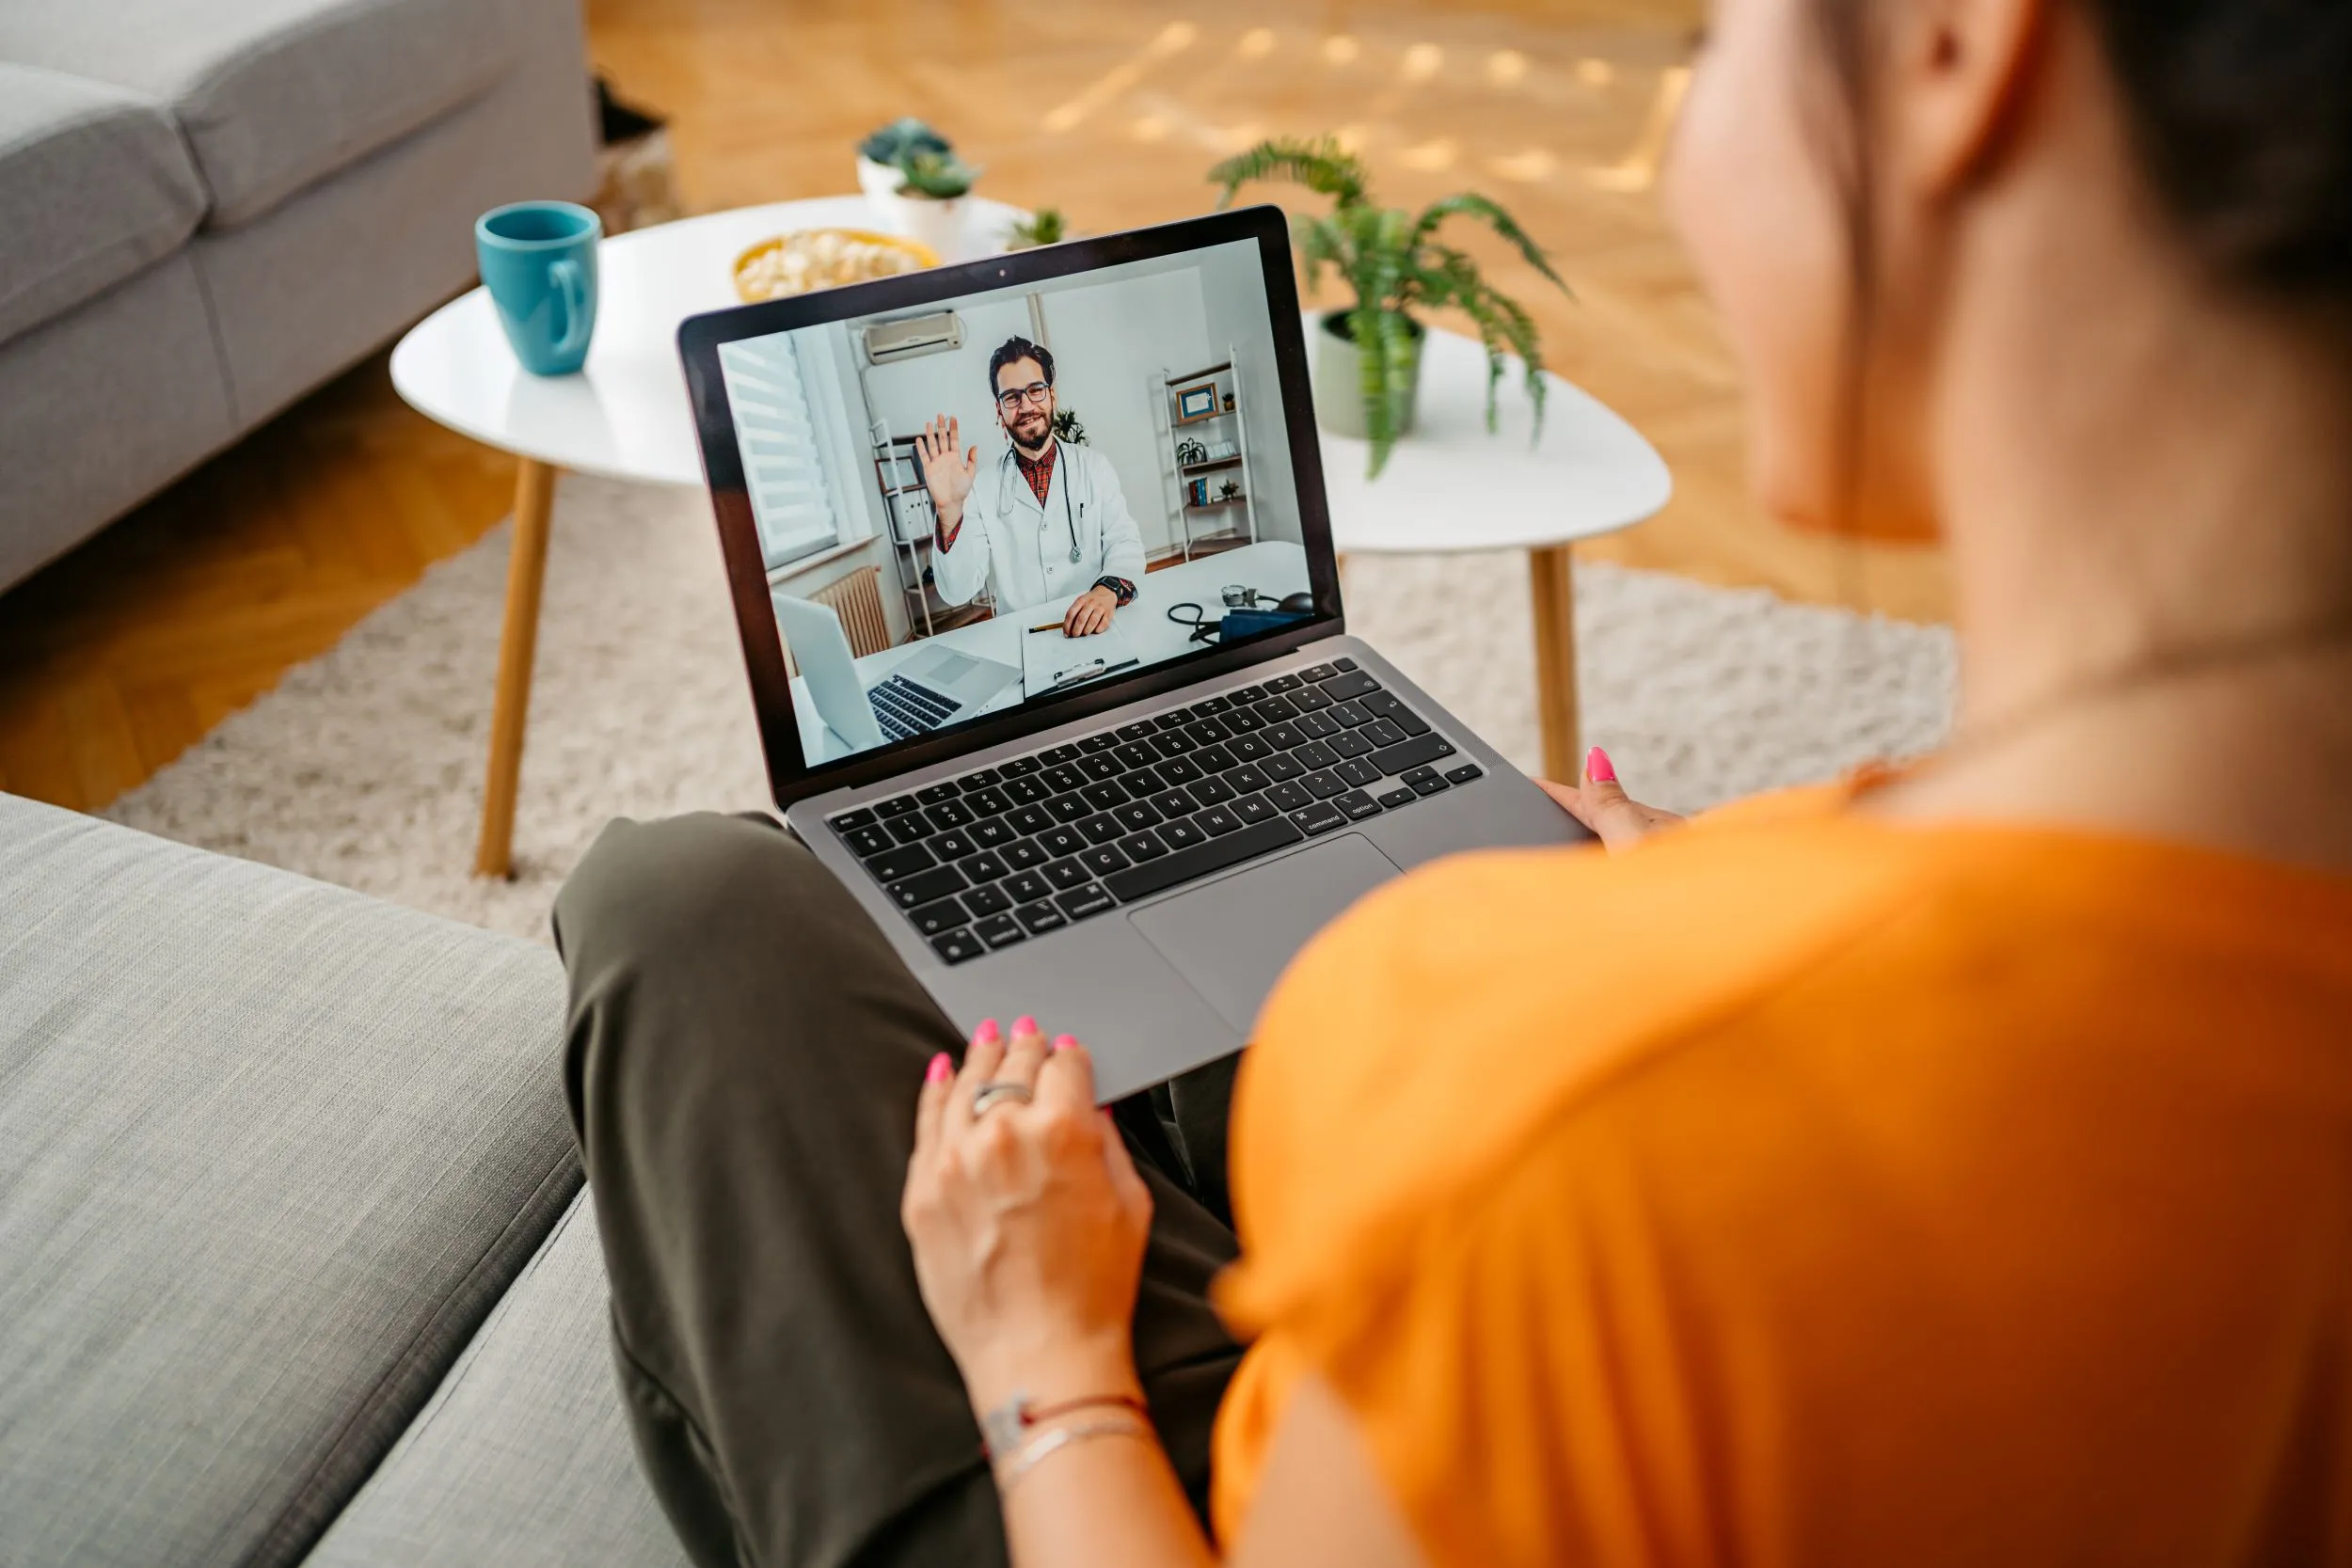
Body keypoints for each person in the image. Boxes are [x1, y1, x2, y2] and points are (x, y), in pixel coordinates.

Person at [552, 0, 2352, 1562]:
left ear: (1960, 47)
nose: (1676, 167)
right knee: (1115, 1001)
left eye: (1712, 39)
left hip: (1205, 1475)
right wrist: (1739, 868)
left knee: (678, 906)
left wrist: (1047, 1371)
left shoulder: (1550, 1113)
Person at [915, 336, 1147, 638]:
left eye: (1035, 390)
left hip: (1096, 627)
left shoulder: (1094, 466)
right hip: (1023, 638)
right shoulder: (981, 487)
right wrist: (948, 513)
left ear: (1052, 397)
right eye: (1011, 397)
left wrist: (1107, 591)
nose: (1026, 405)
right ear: (1000, 412)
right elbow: (957, 592)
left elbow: (1125, 543)